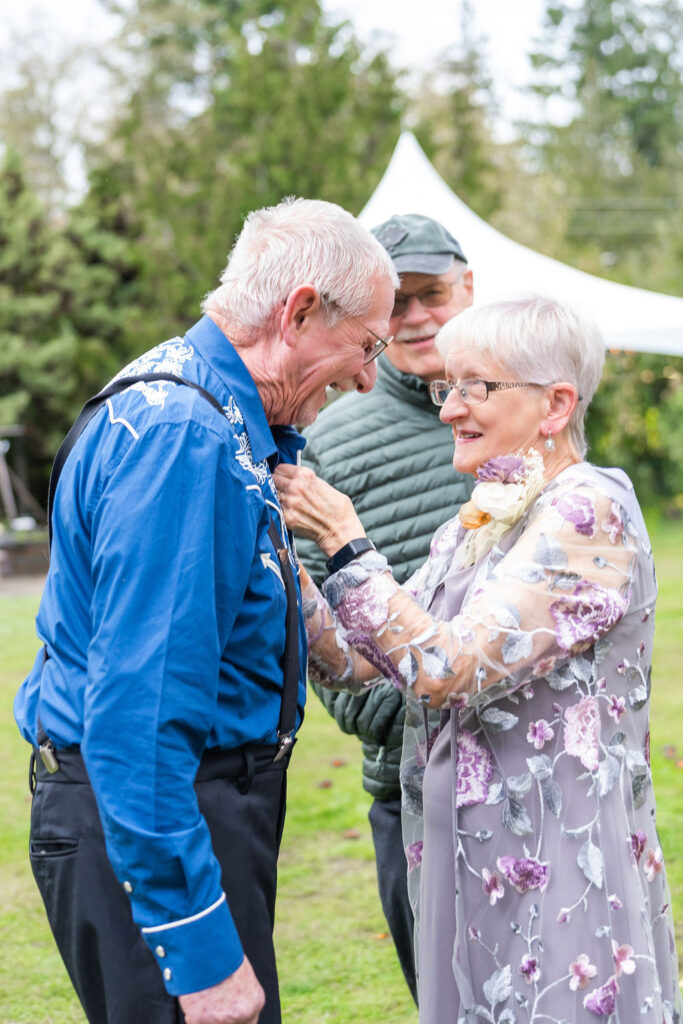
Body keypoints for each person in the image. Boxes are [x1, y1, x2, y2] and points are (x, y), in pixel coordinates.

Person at [14, 196, 397, 1024]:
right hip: (154, 820)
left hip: (180, 811)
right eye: (366, 345)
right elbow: (139, 718)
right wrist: (196, 945)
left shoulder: (215, 416)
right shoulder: (184, 440)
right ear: (299, 312)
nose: (369, 376)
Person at [274, 295, 682, 1024]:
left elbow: (443, 669)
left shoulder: (589, 511)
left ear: (555, 404)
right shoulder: (482, 518)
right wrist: (280, 556)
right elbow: (361, 660)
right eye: (445, 387)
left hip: (559, 859)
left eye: (474, 387)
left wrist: (346, 540)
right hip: (473, 862)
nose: (447, 410)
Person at [297, 213, 474, 1001]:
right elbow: (308, 623)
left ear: (469, 290)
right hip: (407, 789)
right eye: (394, 302)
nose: (414, 318)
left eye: (431, 294)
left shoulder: (528, 410)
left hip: (532, 777)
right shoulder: (328, 438)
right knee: (440, 998)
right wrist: (414, 715)